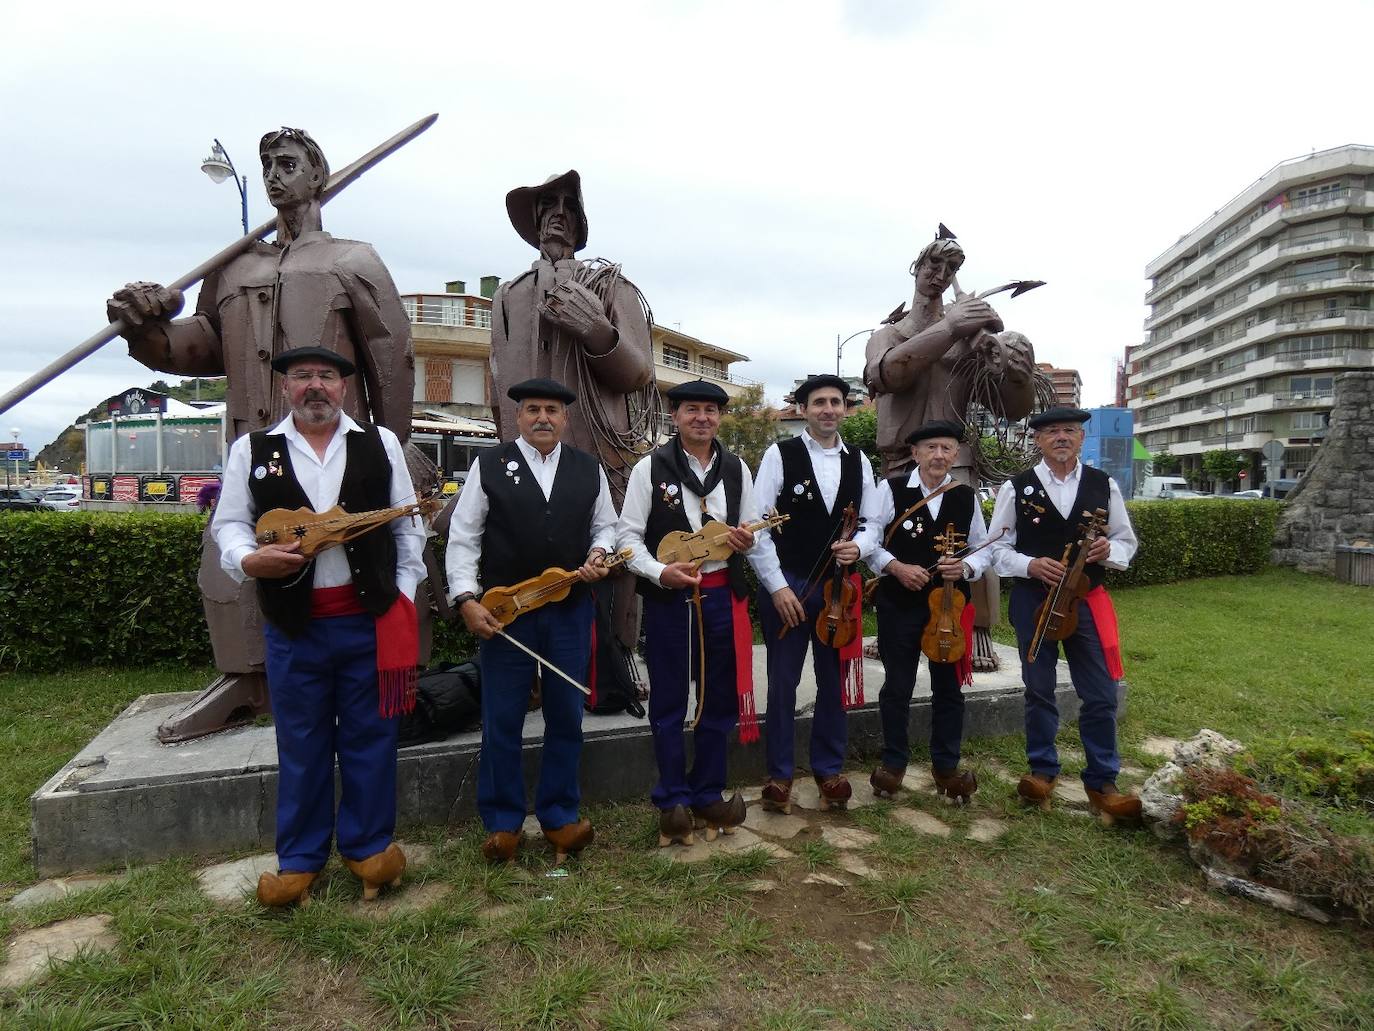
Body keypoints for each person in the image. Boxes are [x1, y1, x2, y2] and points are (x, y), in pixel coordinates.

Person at [106, 127, 416, 739]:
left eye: (288, 163)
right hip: (257, 441)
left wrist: (394, 444)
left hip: (338, 444)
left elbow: (391, 356)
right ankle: (245, 682)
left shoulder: (353, 260)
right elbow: (197, 347)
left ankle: (387, 673)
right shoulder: (232, 268)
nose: (275, 174)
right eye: (267, 164)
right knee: (229, 560)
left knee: (365, 552)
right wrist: (143, 327)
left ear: (318, 173)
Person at [211, 346, 425, 906]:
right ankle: (300, 860)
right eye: (302, 376)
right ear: (285, 387)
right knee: (301, 742)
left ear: (344, 388)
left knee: (370, 739)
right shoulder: (253, 451)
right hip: (295, 625)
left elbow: (410, 527)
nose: (315, 386)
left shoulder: (380, 445)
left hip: (369, 620)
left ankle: (368, 848)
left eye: (326, 377)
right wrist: (248, 560)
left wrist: (400, 594)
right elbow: (229, 523)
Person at [489, 169, 656, 698]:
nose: (556, 212)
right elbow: (498, 383)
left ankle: (617, 660)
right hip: (526, 455)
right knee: (528, 554)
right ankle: (538, 670)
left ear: (581, 222)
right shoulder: (509, 296)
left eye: (567, 204)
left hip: (597, 451)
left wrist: (596, 332)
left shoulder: (611, 287)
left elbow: (640, 375)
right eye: (547, 204)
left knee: (612, 561)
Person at [445, 378, 616, 864]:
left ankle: (560, 815)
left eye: (553, 410)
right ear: (518, 417)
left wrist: (598, 553)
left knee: (566, 714)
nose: (543, 417)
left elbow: (605, 524)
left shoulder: (588, 468)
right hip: (506, 614)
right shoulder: (490, 465)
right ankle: (503, 823)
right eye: (534, 409)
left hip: (568, 610)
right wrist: (465, 598)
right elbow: (463, 537)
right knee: (502, 719)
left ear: (566, 418)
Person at [863, 231, 1037, 672]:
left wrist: (1015, 370)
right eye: (932, 266)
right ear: (916, 269)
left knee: (964, 543)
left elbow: (1011, 409)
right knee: (891, 540)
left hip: (951, 457)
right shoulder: (888, 334)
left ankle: (976, 629)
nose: (940, 276)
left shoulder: (968, 340)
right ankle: (893, 626)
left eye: (951, 269)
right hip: (899, 458)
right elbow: (886, 376)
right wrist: (950, 327)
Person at [617, 380, 759, 846]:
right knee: (671, 696)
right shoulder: (649, 469)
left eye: (711, 411)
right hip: (670, 596)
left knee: (719, 697)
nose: (702, 418)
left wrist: (747, 540)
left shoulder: (737, 468)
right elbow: (627, 539)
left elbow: (752, 530)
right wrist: (660, 572)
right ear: (674, 416)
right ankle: (672, 797)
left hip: (722, 592)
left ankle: (708, 791)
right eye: (691, 409)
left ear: (720, 418)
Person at [986, 407, 1141, 824]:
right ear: (1037, 440)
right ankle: (1042, 771)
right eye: (1051, 431)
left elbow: (1126, 540)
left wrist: (1110, 551)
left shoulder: (1102, 484)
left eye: (1069, 430)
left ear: (1081, 438)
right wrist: (1029, 565)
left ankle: (1102, 781)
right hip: (1033, 599)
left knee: (1101, 692)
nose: (1061, 437)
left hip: (1085, 600)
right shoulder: (1016, 487)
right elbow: (996, 548)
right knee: (1038, 688)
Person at [749, 374, 876, 813]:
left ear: (846, 408)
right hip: (789, 583)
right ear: (804, 409)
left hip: (838, 590)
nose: (828, 409)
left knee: (833, 682)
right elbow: (757, 525)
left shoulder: (860, 461)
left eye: (836, 402)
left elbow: (873, 523)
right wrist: (779, 587)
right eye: (819, 402)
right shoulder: (779, 454)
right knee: (783, 684)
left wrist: (859, 546)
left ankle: (828, 768)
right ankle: (780, 775)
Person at [855, 420, 992, 803]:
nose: (938, 455)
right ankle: (894, 764)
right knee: (898, 685)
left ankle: (946, 767)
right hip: (899, 604)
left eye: (947, 448)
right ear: (915, 453)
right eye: (930, 447)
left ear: (955, 454)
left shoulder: (966, 496)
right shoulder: (892, 489)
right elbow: (869, 540)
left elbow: (982, 548)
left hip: (949, 608)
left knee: (948, 688)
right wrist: (895, 567)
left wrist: (964, 567)